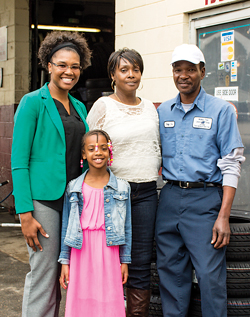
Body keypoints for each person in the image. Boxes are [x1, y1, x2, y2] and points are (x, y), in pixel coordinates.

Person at [156, 44, 245, 317]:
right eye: (178, 69)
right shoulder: (162, 112)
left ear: (203, 72)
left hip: (205, 200)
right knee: (171, 274)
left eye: (190, 70)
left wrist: (224, 216)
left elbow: (232, 164)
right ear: (172, 73)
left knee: (209, 277)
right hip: (169, 198)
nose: (184, 75)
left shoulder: (221, 111)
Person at [11, 31, 91, 317]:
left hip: (74, 200)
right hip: (44, 200)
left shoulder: (80, 106)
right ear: (49, 65)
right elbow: (18, 161)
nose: (69, 71)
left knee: (67, 276)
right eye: (62, 65)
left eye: (75, 66)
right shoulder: (32, 102)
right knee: (44, 275)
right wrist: (25, 213)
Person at [87, 48, 161, 316]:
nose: (131, 75)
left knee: (141, 261)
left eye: (136, 69)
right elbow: (89, 146)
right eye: (124, 69)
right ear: (112, 75)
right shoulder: (102, 106)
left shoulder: (150, 107)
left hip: (146, 193)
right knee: (109, 260)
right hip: (112, 193)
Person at [58, 129, 131, 317]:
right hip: (81, 249)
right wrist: (65, 261)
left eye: (103, 148)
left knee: (108, 298)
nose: (98, 152)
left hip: (109, 249)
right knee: (82, 299)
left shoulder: (122, 187)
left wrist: (124, 260)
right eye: (91, 149)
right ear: (84, 153)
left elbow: (127, 226)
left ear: (110, 151)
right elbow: (67, 225)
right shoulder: (73, 187)